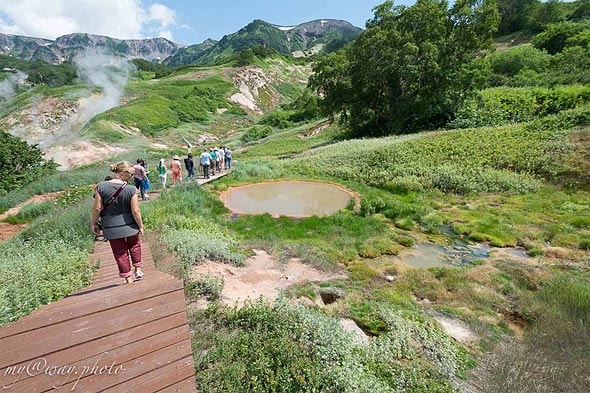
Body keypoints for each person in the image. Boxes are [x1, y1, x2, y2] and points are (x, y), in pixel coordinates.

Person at [91, 161, 145, 285]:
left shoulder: (100, 187)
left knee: (119, 251)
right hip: (130, 224)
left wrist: (93, 223)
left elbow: (97, 208)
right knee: (134, 245)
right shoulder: (131, 189)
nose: (132, 177)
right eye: (131, 174)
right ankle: (137, 269)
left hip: (111, 226)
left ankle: (128, 278)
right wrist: (140, 226)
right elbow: (135, 210)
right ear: (122, 173)